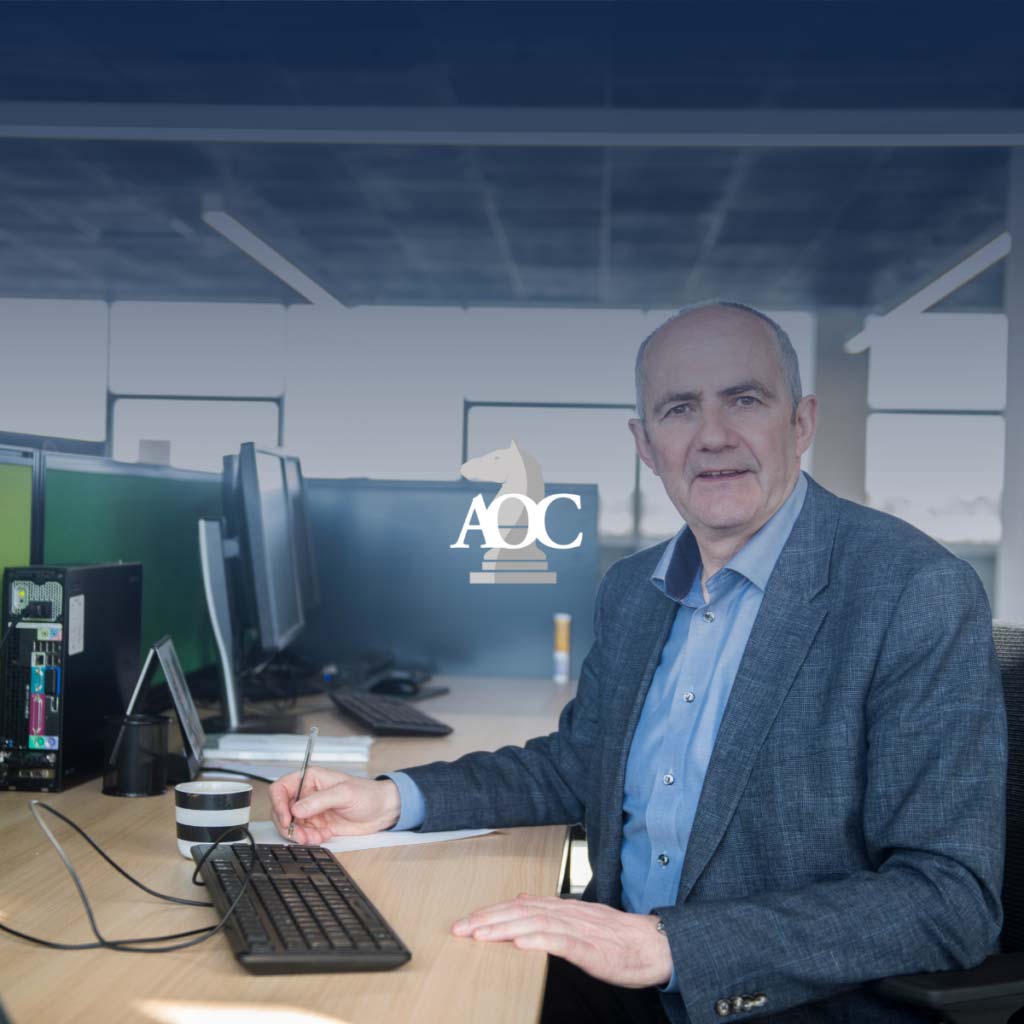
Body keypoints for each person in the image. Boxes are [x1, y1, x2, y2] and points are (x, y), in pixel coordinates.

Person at [270, 301, 1006, 1023]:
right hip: (619, 985)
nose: (713, 437)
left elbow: (950, 899)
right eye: (679, 409)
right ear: (646, 444)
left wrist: (670, 943)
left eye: (744, 400)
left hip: (785, 1002)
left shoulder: (911, 592)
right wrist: (394, 800)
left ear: (801, 421)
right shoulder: (634, 590)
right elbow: (575, 765)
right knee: (385, 987)